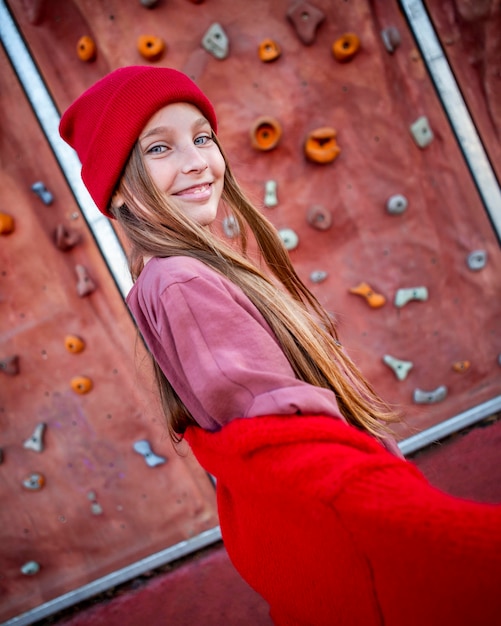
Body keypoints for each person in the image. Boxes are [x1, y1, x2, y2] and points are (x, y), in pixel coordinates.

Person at [60, 66, 501, 626]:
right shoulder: (182, 281)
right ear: (118, 186)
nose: (196, 160)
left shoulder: (170, 276)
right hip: (351, 545)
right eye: (158, 148)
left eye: (201, 137)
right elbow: (282, 437)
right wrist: (407, 514)